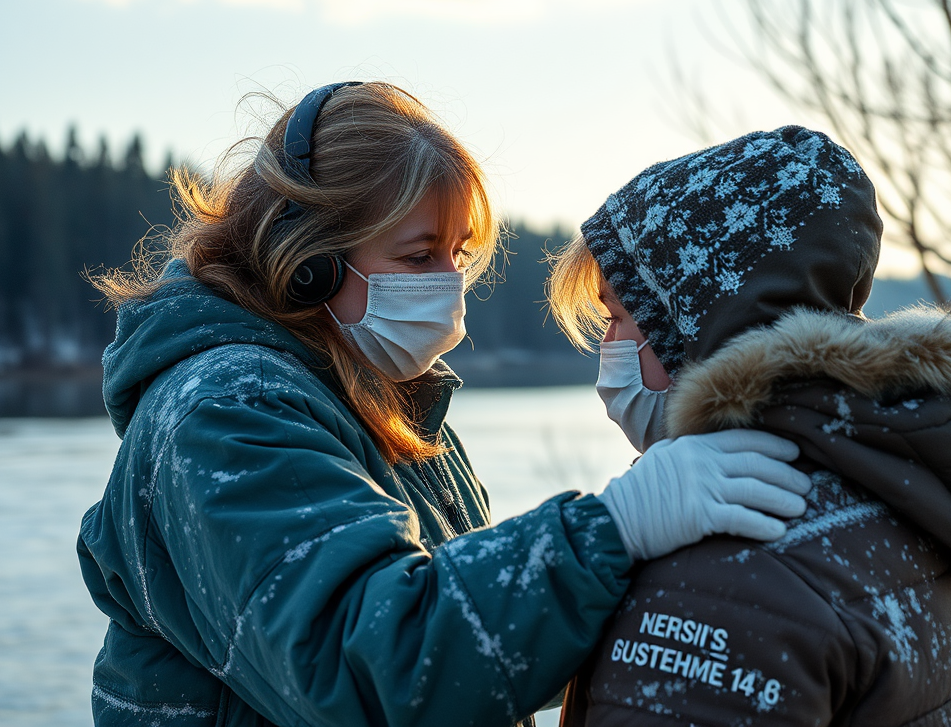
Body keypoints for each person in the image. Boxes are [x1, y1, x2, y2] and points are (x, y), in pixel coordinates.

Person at [76, 82, 814, 727]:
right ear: (308, 263)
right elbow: (376, 672)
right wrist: (614, 529)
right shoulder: (225, 415)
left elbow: (481, 652)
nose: (450, 284)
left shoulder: (384, 403)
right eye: (418, 256)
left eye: (458, 254)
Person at [548, 125, 951, 726]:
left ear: (700, 322)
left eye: (619, 317)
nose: (607, 347)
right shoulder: (898, 487)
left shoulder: (718, 567)